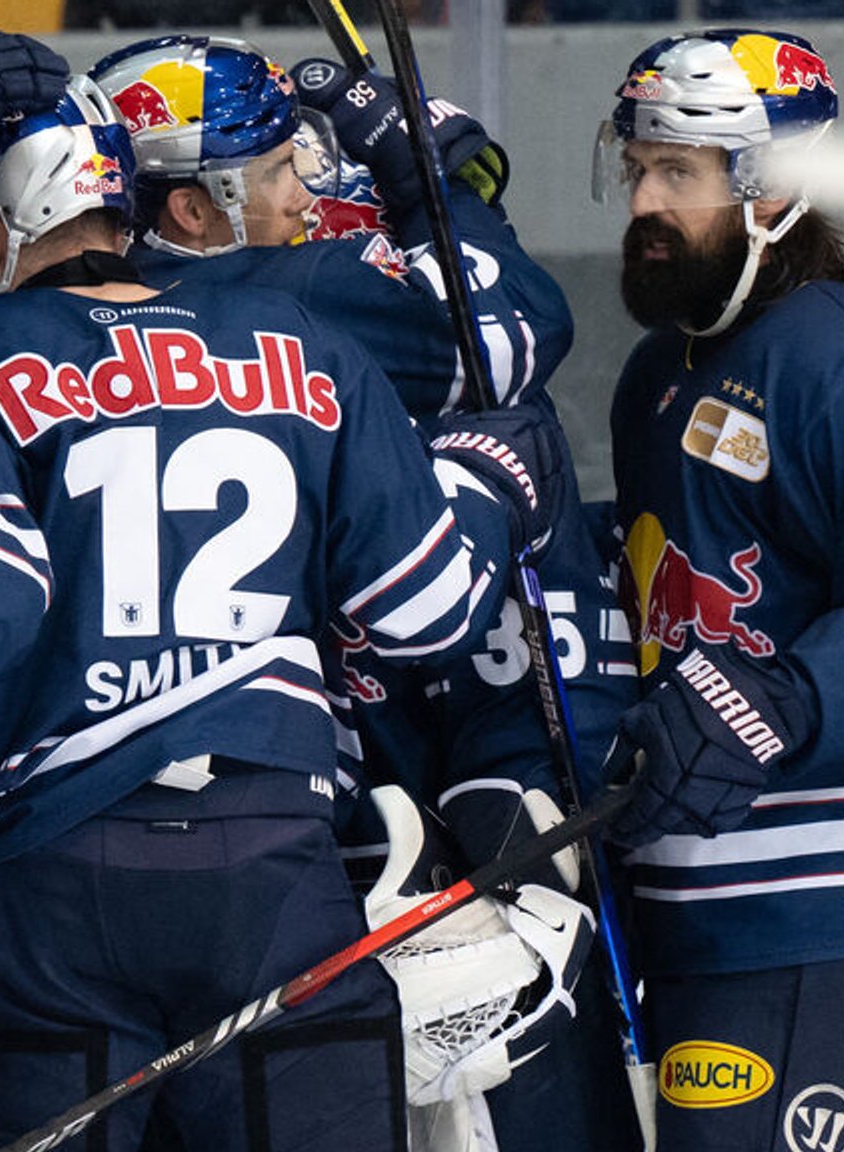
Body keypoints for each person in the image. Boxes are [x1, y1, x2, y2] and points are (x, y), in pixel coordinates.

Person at [0, 64, 545, 1152]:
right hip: (275, 879)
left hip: (42, 894)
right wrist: (481, 492)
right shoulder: (303, 342)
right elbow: (424, 613)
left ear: (16, 214)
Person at [92, 35, 646, 1152]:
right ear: (190, 210)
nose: (302, 198)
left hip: (229, 803)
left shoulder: (70, 331)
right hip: (358, 776)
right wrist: (426, 169)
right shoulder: (286, 292)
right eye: (275, 174)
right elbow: (510, 333)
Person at [592, 29, 844, 1152]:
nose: (643, 202)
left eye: (677, 173)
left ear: (773, 187)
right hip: (688, 891)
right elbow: (685, 567)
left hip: (824, 889)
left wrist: (765, 705)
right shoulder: (657, 373)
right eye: (636, 169)